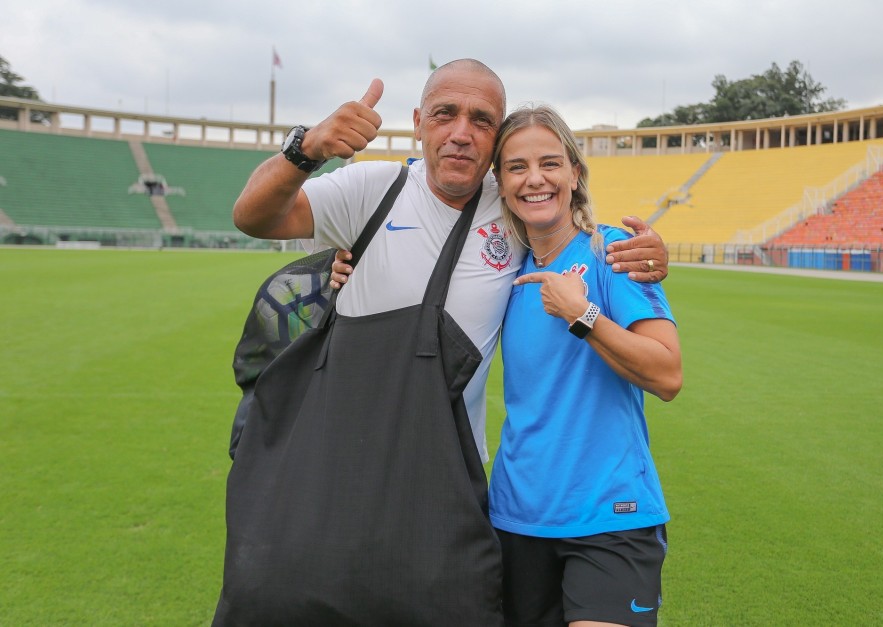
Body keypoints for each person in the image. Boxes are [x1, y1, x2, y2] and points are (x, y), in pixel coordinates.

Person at [218, 59, 671, 625]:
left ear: (496, 137)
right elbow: (254, 216)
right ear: (417, 122)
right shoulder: (372, 189)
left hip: (450, 478)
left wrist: (647, 255)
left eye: (482, 120)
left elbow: (575, 238)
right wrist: (304, 149)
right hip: (346, 462)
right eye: (445, 114)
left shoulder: (509, 208)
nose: (461, 132)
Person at [487, 105, 682, 627]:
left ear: (575, 173)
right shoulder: (499, 270)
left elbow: (667, 375)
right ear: (500, 183)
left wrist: (583, 314)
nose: (535, 179)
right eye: (516, 167)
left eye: (550, 163)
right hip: (515, 517)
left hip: (610, 515)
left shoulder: (613, 253)